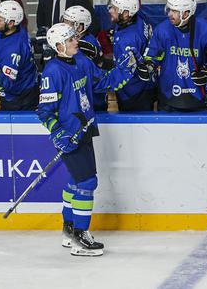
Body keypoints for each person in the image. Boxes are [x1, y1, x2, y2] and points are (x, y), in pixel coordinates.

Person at [38, 23, 136, 257]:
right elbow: (44, 111)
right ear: (59, 46)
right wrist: (58, 133)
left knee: (75, 180)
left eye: (75, 38)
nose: (76, 42)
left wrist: (124, 71)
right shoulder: (52, 71)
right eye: (71, 40)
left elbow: (102, 82)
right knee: (87, 183)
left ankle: (69, 229)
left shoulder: (81, 60)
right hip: (69, 135)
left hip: (86, 129)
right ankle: (80, 236)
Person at [141, 0, 207, 112]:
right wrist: (148, 66)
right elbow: (154, 56)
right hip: (167, 97)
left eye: (174, 11)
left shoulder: (206, 30)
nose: (169, 14)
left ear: (186, 13)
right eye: (169, 10)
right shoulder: (162, 29)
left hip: (198, 98)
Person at [108, 0, 156, 111]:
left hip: (134, 92)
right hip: (143, 86)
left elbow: (123, 70)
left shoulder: (129, 40)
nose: (110, 10)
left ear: (126, 14)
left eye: (114, 8)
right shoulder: (137, 18)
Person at [62, 6, 109, 112]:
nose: (64, 25)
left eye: (68, 22)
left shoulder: (85, 45)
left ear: (79, 27)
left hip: (92, 97)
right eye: (64, 21)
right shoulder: (82, 39)